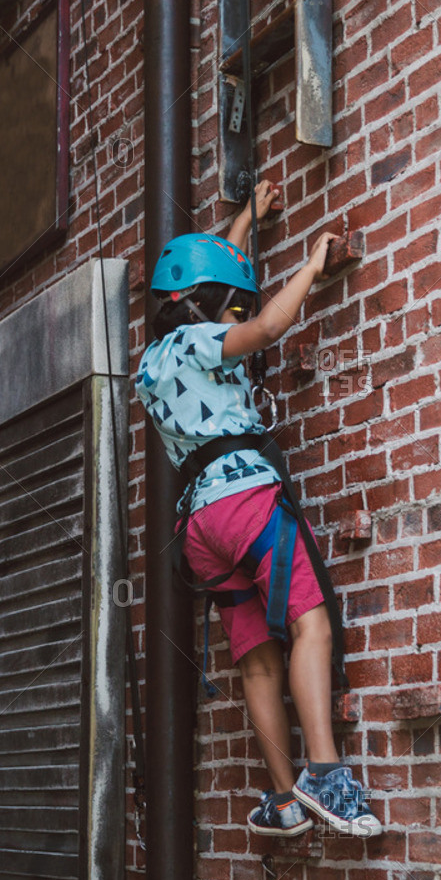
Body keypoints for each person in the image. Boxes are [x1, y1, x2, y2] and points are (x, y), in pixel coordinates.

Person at [133, 181, 382, 839]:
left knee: (257, 660)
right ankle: (326, 774)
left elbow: (212, 281)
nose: (235, 310)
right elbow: (268, 325)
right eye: (227, 304)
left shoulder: (155, 362)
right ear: (204, 307)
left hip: (199, 527)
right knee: (311, 624)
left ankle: (284, 799)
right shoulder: (204, 343)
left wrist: (245, 221)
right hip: (245, 499)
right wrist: (311, 262)